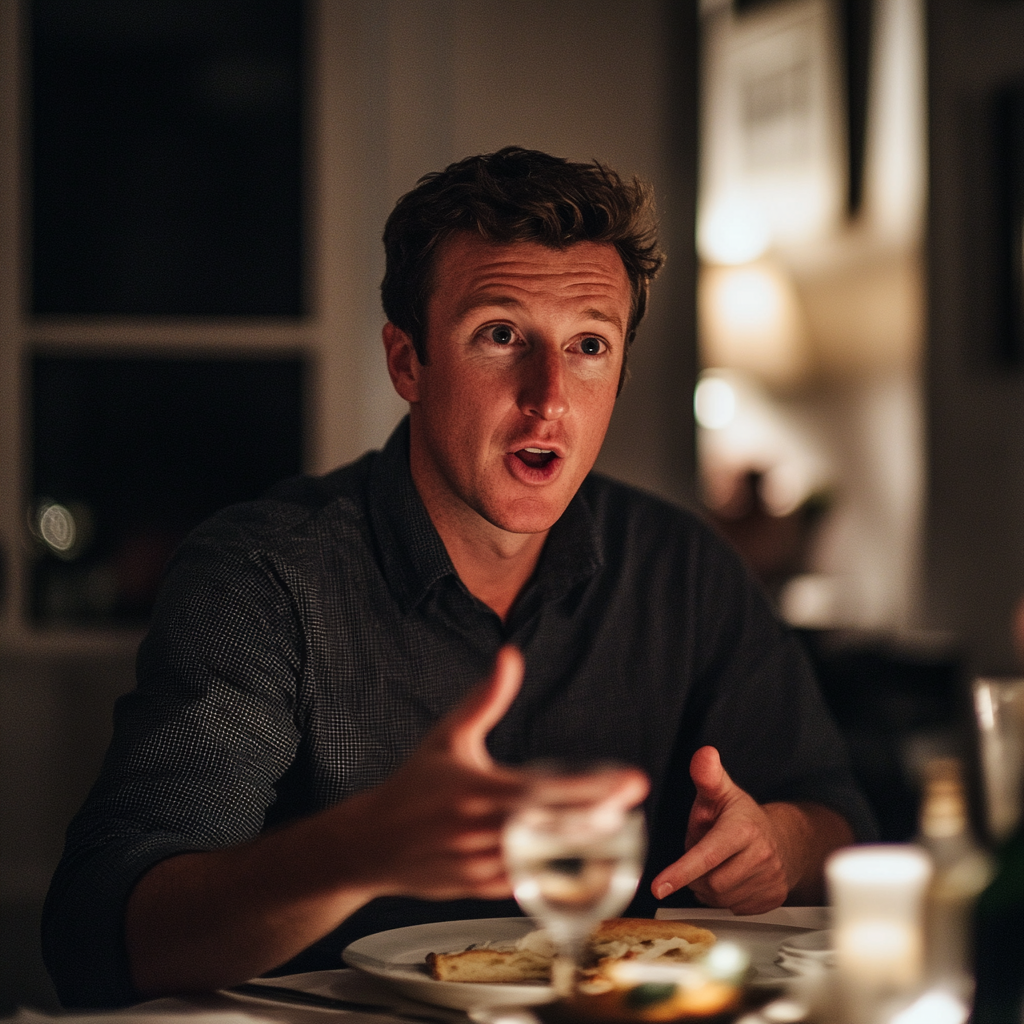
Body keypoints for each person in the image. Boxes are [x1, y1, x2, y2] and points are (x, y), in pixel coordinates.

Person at [43, 147, 875, 1008]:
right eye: (501, 335)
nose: (548, 395)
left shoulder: (686, 567)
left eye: (589, 344)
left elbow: (837, 820)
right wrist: (352, 850)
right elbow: (100, 941)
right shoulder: (261, 577)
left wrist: (780, 842)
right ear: (408, 362)